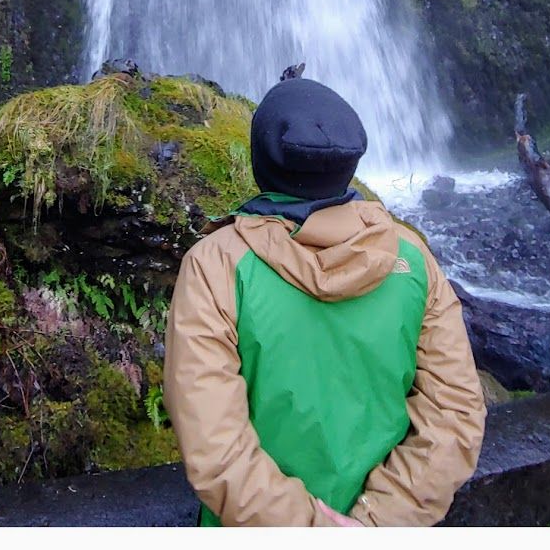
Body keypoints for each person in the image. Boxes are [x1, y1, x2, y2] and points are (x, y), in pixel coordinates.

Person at [163, 76, 486, 526]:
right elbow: (455, 413)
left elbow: (216, 449)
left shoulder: (216, 265)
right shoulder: (410, 257)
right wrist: (376, 522)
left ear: (262, 161)